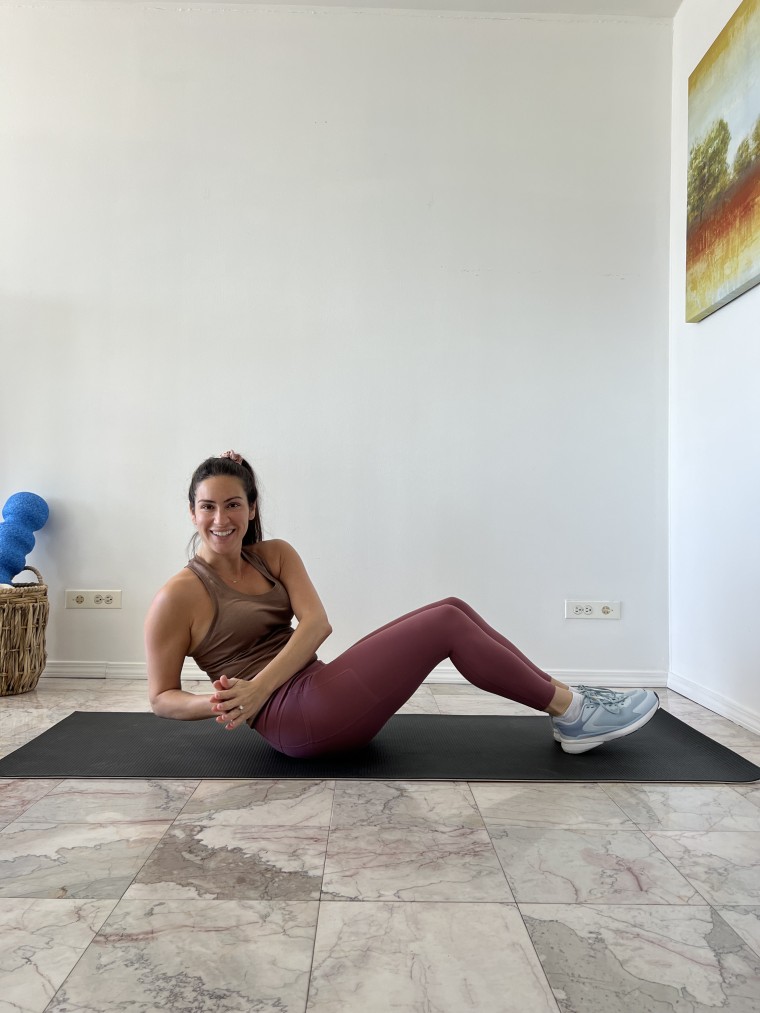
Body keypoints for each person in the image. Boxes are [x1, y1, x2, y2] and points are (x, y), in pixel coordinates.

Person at [144, 451, 659, 759]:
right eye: (207, 506)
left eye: (233, 504)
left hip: (312, 689)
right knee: (443, 624)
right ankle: (574, 714)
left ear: (252, 509)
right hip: (297, 721)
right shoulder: (179, 595)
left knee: (451, 609)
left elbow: (317, 626)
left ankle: (568, 699)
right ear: (191, 513)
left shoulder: (273, 555)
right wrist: (225, 703)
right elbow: (161, 697)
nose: (221, 518)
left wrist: (258, 686)